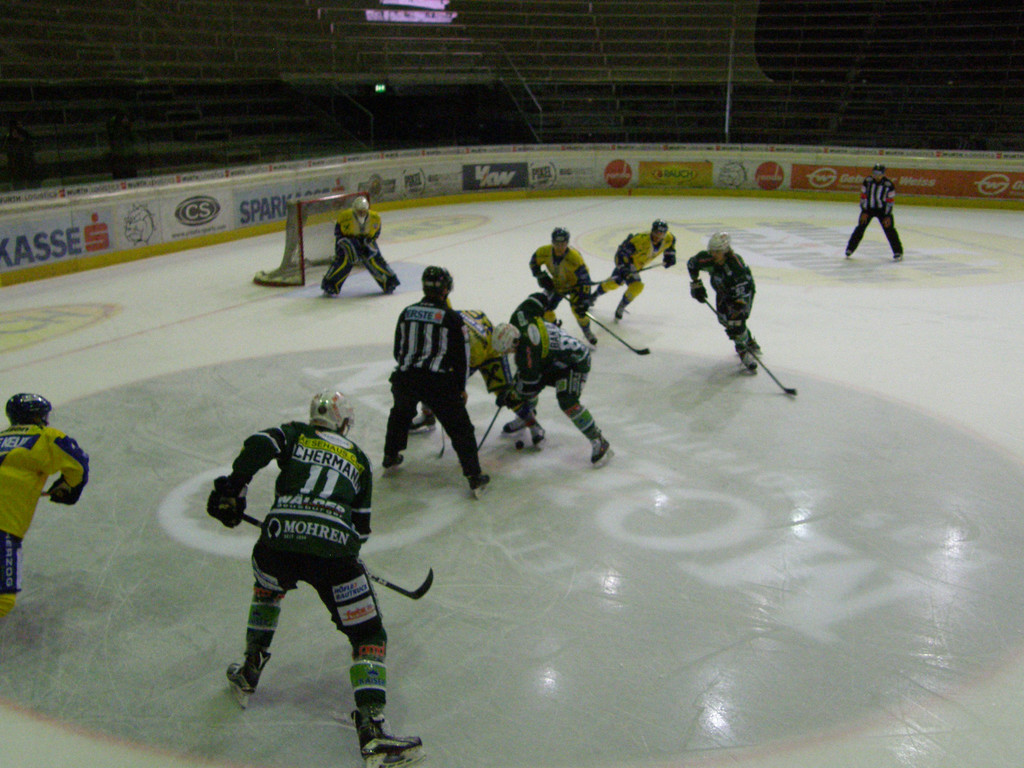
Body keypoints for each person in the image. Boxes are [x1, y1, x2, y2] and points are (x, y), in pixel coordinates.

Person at [206, 391, 422, 767]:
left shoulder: (296, 434)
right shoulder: (358, 458)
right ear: (343, 422)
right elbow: (361, 529)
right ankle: (372, 727)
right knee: (368, 635)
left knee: (268, 590)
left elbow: (259, 443)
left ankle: (250, 669)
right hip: (334, 556)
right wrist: (341, 547)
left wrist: (236, 485)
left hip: (277, 544)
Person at [382, 266, 489, 497]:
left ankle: (390, 455)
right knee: (461, 428)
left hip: (405, 378)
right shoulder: (451, 318)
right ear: (446, 289)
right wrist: (460, 388)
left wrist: (411, 368)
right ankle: (474, 476)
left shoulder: (407, 312)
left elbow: (398, 350)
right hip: (438, 382)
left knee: (400, 414)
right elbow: (461, 359)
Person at [1, 394, 89, 618]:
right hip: (4, 527)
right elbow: (78, 465)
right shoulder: (46, 437)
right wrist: (67, 488)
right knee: (3, 600)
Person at [492, 315, 612, 466]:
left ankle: (598, 440)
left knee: (567, 401)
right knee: (525, 383)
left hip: (575, 364)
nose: (508, 352)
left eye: (507, 349)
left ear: (515, 341)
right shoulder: (523, 330)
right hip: (554, 360)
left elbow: (528, 385)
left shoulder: (529, 354)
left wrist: (511, 396)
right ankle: (527, 417)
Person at [408, 308, 538, 444]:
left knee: (506, 394)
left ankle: (532, 423)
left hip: (484, 351)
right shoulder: (467, 341)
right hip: (475, 349)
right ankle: (428, 415)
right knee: (431, 376)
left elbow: (459, 374)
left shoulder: (468, 319)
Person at [687, 232, 760, 371]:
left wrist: (735, 320)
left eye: (717, 252)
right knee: (723, 320)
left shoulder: (736, 268)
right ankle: (747, 339)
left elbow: (741, 299)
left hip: (743, 294)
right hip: (723, 291)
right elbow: (692, 264)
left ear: (726, 251)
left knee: (736, 323)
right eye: (712, 251)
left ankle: (743, 349)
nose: (713, 254)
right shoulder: (707, 258)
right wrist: (696, 284)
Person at [588, 219, 677, 320]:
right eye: (656, 233)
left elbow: (671, 244)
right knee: (616, 283)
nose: (658, 236)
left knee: (632, 286)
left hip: (638, 266)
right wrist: (624, 268)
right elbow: (621, 254)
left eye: (661, 234)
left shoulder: (668, 238)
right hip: (629, 263)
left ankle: (620, 306)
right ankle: (593, 296)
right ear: (652, 231)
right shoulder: (640, 240)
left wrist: (670, 256)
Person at [529, 227, 598, 345]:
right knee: (545, 309)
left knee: (578, 311)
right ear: (552, 242)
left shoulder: (574, 257)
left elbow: (585, 280)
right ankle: (554, 330)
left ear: (567, 243)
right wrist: (540, 276)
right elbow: (533, 263)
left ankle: (587, 331)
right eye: (557, 243)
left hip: (575, 287)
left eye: (563, 244)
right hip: (557, 285)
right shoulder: (543, 252)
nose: (560, 247)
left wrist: (585, 299)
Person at [322, 195, 400, 296]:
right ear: (354, 209)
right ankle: (330, 285)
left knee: (375, 258)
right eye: (359, 211)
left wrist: (367, 243)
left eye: (364, 211)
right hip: (348, 240)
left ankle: (389, 282)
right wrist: (350, 245)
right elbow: (338, 234)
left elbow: (376, 234)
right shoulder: (345, 217)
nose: (362, 213)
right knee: (344, 260)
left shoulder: (375, 218)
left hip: (366, 240)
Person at [845, 163, 904, 261]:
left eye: (879, 174)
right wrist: (864, 211)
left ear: (883, 174)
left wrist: (887, 215)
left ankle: (898, 252)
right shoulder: (867, 181)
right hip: (868, 209)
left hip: (883, 211)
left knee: (890, 230)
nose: (876, 176)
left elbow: (890, 202)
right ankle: (850, 249)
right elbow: (863, 196)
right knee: (860, 228)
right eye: (874, 173)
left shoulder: (889, 185)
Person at [2, 119, 40, 190]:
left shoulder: (25, 134)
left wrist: (21, 138)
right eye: (18, 125)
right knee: (18, 180)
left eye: (20, 125)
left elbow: (33, 144)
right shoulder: (8, 136)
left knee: (30, 178)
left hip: (27, 161)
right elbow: (5, 148)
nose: (19, 126)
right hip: (15, 162)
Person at [106, 111, 138, 180]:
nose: (126, 121)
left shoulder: (129, 130)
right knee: (119, 176)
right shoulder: (115, 130)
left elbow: (134, 138)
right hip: (119, 157)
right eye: (124, 119)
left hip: (129, 157)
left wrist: (129, 127)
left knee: (131, 176)